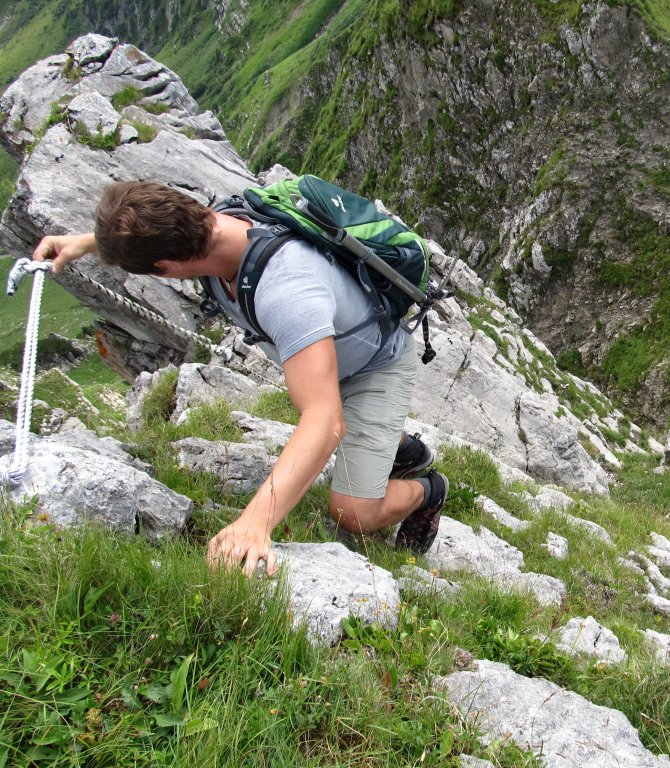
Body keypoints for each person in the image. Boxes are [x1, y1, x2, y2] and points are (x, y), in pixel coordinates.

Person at [32, 180, 448, 576]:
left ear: (166, 267)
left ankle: (429, 490)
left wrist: (255, 522)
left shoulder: (286, 289)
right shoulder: (208, 225)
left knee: (352, 512)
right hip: (330, 354)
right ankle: (399, 448)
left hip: (374, 367)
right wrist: (86, 242)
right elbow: (157, 226)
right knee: (341, 414)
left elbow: (325, 422)